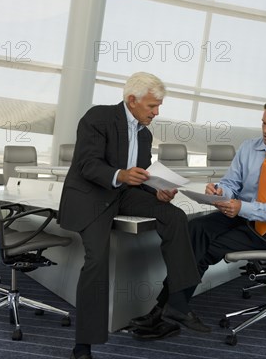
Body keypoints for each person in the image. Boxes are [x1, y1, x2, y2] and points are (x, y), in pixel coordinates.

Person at [130, 97, 266, 333]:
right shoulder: (250, 147)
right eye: (263, 123)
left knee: (206, 248)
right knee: (194, 228)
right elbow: (232, 182)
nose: (265, 130)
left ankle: (162, 312)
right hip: (239, 215)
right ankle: (173, 308)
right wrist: (220, 191)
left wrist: (243, 208)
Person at [58, 72, 207, 359]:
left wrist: (157, 191)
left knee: (173, 216)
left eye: (158, 106)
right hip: (92, 196)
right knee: (97, 260)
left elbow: (141, 175)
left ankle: (177, 301)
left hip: (124, 194)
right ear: (132, 100)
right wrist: (120, 174)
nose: (156, 112)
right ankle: (83, 345)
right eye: (152, 106)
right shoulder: (98, 118)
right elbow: (87, 164)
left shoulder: (144, 133)